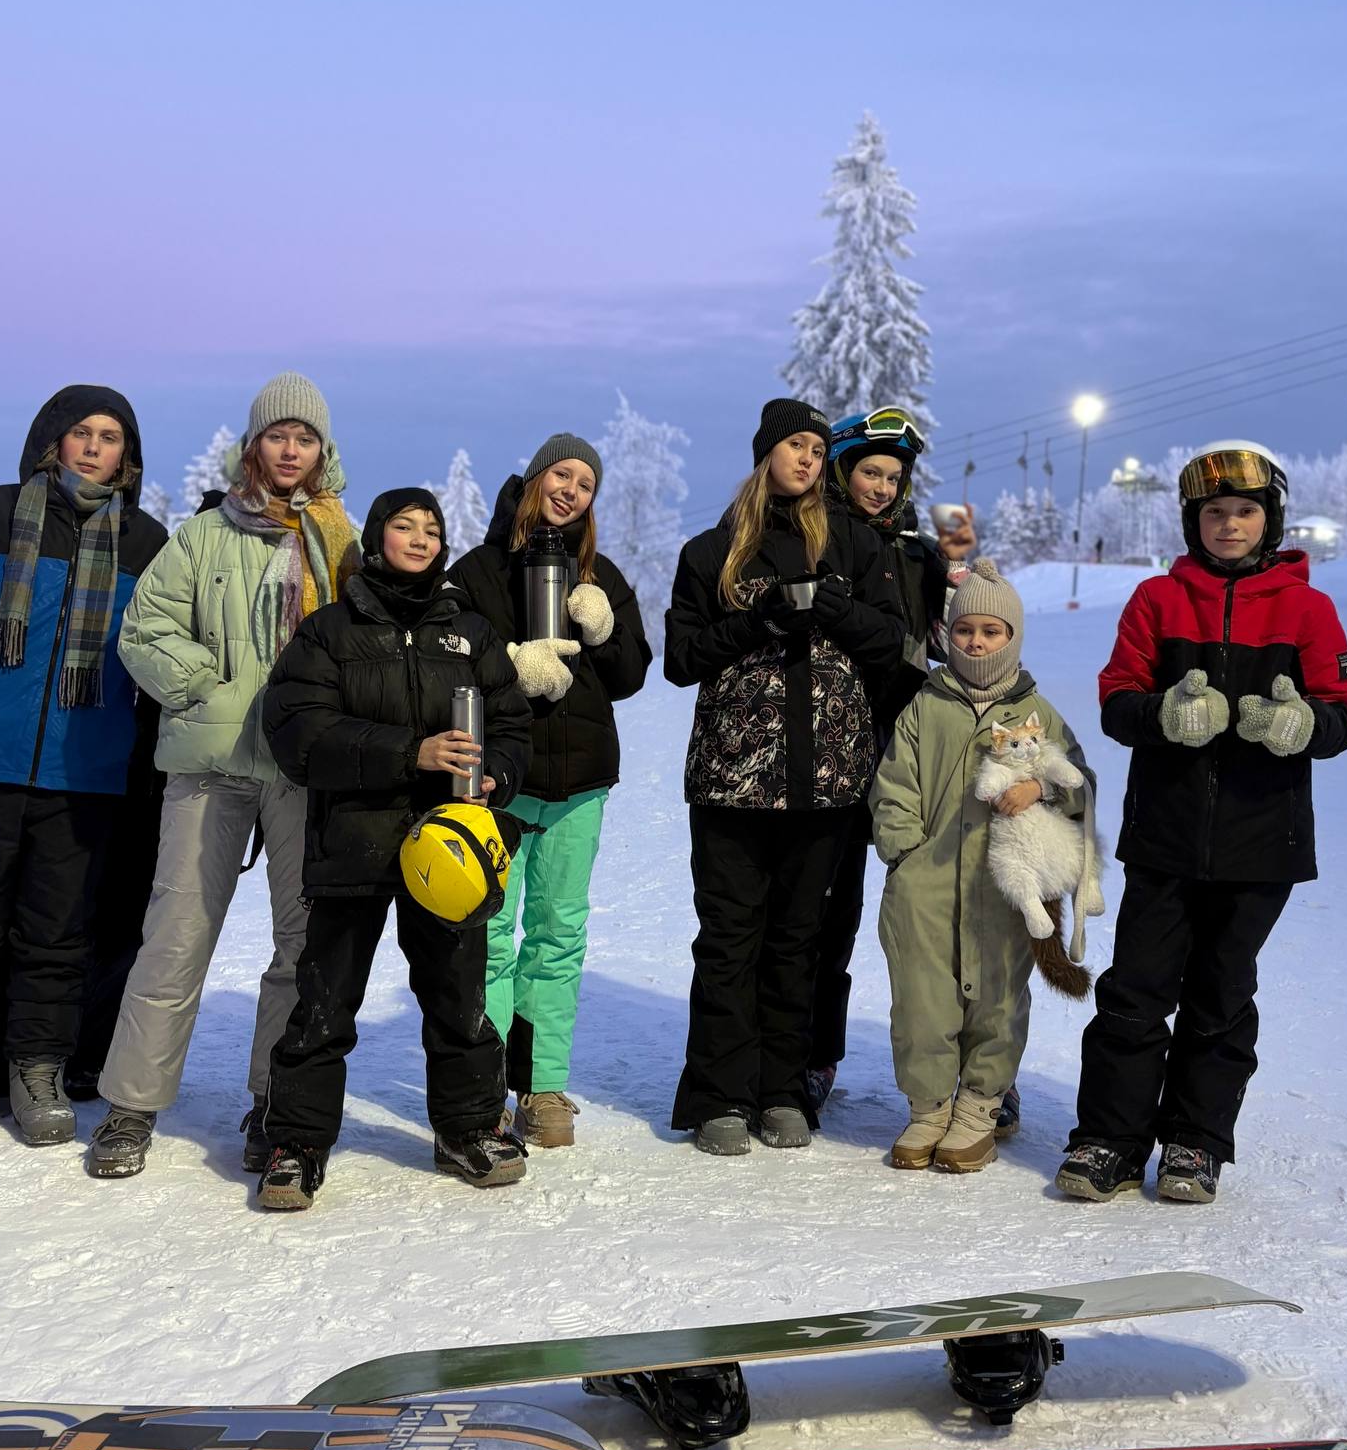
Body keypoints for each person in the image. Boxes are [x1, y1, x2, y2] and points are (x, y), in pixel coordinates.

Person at [1059, 443, 1347, 1206]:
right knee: (1135, 990)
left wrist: (1301, 724)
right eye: (1215, 513)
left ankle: (1194, 1141)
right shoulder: (1158, 601)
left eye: (1245, 512)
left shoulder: (1309, 609)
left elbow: (1341, 716)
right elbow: (1118, 699)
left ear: (1270, 521)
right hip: (1166, 832)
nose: (1230, 525)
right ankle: (1110, 1141)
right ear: (1194, 522)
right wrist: (1165, 712)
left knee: (1222, 995)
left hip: (1265, 839)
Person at [86, 376, 358, 1180]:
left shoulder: (341, 543)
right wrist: (209, 686)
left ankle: (276, 1103)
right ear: (254, 447)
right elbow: (144, 628)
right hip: (210, 766)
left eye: (304, 439)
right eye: (276, 436)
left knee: (301, 947)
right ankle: (132, 1104)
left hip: (305, 772)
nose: (289, 450)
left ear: (321, 452)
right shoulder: (204, 535)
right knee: (175, 936)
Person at [253, 486, 533, 1208]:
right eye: (403, 526)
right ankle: (296, 1141)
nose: (419, 537)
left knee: (459, 997)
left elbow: (511, 724)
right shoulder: (329, 632)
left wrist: (496, 773)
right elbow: (298, 734)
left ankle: (469, 1128)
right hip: (353, 841)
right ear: (375, 540)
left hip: (451, 851)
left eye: (432, 528)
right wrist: (413, 752)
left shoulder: (468, 632)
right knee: (324, 1002)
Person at [0, 388, 167, 1144]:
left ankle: (38, 1068)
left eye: (109, 436)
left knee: (58, 931)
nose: (92, 447)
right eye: (79, 432)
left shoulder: (146, 541)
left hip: (85, 768)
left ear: (128, 453)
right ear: (51, 443)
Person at [663, 398, 904, 1155]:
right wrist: (756, 622)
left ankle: (781, 1086)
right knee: (730, 940)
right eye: (793, 445)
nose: (805, 458)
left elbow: (893, 643)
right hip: (732, 781)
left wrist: (834, 609)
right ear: (766, 452)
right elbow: (679, 660)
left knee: (798, 941)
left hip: (827, 781)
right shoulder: (712, 551)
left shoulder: (857, 546)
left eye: (814, 448)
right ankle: (720, 1097)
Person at [445, 432, 651, 1147]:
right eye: (561, 474)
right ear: (534, 479)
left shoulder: (601, 572)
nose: (571, 489)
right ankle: (488, 1085)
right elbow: (451, 664)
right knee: (493, 938)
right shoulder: (477, 571)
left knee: (559, 935)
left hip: (580, 782)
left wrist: (605, 627)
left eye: (585, 483)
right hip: (500, 782)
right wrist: (511, 667)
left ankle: (544, 1086)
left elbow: (631, 675)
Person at [872, 560, 1093, 1171]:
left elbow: (1080, 783)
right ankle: (928, 1106)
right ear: (948, 633)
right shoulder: (926, 706)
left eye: (992, 631)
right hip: (927, 883)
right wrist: (905, 853)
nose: (977, 642)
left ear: (1013, 638)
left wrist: (1043, 792)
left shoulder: (1037, 713)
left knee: (997, 993)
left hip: (1006, 887)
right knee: (921, 998)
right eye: (966, 629)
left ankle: (978, 1104)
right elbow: (894, 784)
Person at [805, 406, 948, 1111]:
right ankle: (811, 1055)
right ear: (842, 470)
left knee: (935, 916)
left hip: (912, 752)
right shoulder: (819, 534)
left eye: (894, 476)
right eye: (870, 472)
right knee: (829, 913)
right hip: (835, 748)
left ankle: (963, 1065)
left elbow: (950, 637)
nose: (882, 487)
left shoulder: (919, 548)